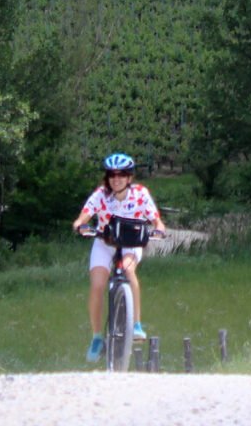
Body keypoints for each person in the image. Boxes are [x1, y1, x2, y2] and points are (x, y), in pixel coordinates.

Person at [71, 152, 167, 362]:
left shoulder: (140, 194)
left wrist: (159, 229)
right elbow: (83, 217)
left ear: (129, 177)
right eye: (112, 175)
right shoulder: (101, 195)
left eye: (121, 174)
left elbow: (156, 220)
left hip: (131, 243)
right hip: (105, 242)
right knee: (97, 284)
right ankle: (97, 337)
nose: (116, 179)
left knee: (127, 269)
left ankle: (137, 324)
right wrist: (80, 225)